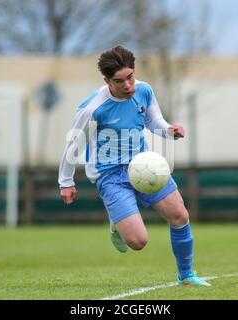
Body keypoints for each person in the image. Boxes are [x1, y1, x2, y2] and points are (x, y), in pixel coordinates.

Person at [58, 45, 210, 286]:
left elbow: (153, 120)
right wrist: (66, 182)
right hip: (110, 176)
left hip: (143, 165)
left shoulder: (144, 91)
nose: (128, 86)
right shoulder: (92, 108)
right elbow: (73, 143)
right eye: (120, 81)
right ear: (107, 81)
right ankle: (117, 226)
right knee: (138, 242)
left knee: (180, 214)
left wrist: (170, 131)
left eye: (130, 77)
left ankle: (187, 276)